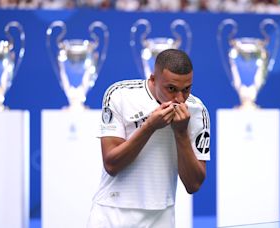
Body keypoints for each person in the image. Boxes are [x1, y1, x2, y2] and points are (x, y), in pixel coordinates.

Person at [87, 49, 210, 227]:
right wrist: (149, 127)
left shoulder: (198, 111)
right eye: (171, 89)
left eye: (186, 89)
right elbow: (111, 164)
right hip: (111, 213)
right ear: (153, 79)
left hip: (162, 216)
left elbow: (193, 185)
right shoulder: (119, 94)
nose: (179, 99)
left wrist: (181, 133)